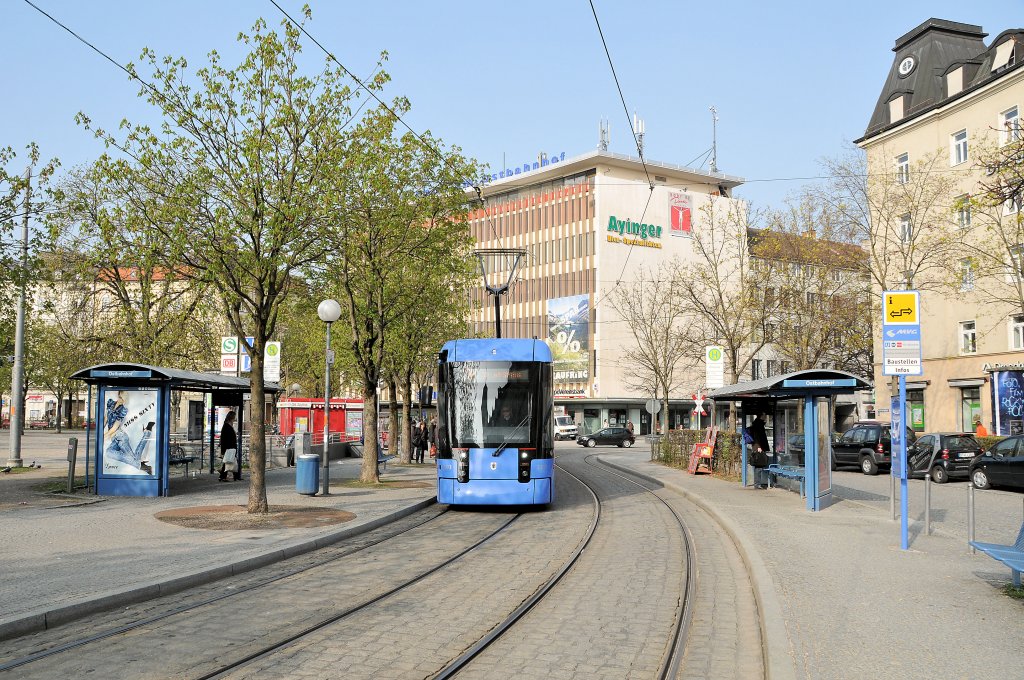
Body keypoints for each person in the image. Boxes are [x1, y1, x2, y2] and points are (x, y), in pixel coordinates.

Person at [747, 411, 771, 488]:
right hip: (758, 447)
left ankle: (758, 483)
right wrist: (758, 447)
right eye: (764, 415)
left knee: (759, 465)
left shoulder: (758, 423)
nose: (765, 416)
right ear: (761, 416)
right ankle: (757, 484)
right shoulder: (758, 424)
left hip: (759, 446)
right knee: (759, 466)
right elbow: (756, 436)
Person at [219, 411, 240, 482]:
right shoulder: (227, 426)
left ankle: (228, 476)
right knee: (229, 461)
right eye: (234, 417)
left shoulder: (228, 425)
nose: (235, 418)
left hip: (231, 447)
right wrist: (224, 448)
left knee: (230, 461)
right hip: (229, 447)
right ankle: (225, 476)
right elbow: (225, 438)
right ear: (231, 417)